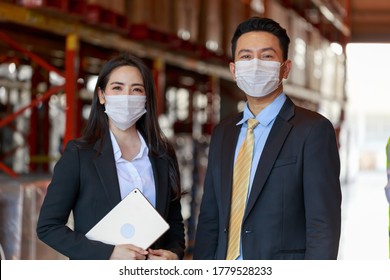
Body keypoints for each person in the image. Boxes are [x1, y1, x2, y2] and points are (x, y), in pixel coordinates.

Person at [193, 17, 342, 260]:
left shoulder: (313, 131)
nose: (255, 65)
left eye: (267, 56)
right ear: (234, 69)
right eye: (246, 57)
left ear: (285, 68)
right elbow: (210, 216)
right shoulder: (224, 132)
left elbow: (322, 225)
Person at [36, 53, 185, 260]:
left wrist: (174, 255)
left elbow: (174, 223)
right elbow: (48, 226)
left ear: (146, 98)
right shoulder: (79, 155)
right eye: (117, 88)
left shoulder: (162, 154)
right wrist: (108, 254)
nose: (127, 96)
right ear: (101, 95)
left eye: (136, 90)